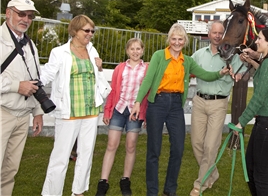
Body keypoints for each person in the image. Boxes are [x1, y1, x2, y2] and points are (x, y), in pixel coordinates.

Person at [129, 23, 230, 196]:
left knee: (178, 149)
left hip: (176, 105)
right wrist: (138, 101)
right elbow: (148, 80)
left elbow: (204, 74)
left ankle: (170, 189)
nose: (177, 42)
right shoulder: (159, 56)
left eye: (180, 39)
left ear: (185, 41)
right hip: (158, 104)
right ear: (169, 40)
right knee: (154, 149)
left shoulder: (188, 61)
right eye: (174, 39)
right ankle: (152, 191)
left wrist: (220, 73)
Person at [41, 15, 111, 196]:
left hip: (90, 111)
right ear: (74, 31)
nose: (90, 34)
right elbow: (47, 74)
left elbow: (97, 77)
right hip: (68, 111)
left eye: (92, 31)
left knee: (86, 155)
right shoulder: (60, 52)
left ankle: (78, 192)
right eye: (86, 30)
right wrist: (32, 83)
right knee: (60, 158)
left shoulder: (92, 51)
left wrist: (100, 68)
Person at [189, 21, 245, 196]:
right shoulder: (198, 54)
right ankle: (212, 173)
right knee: (197, 143)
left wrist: (237, 75)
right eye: (214, 32)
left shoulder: (232, 57)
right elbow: (185, 70)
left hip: (218, 103)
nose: (218, 36)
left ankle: (200, 184)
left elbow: (239, 75)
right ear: (209, 33)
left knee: (210, 145)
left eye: (221, 33)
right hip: (199, 102)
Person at [234, 28, 268, 196]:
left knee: (260, 176)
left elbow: (259, 98)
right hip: (265, 123)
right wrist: (253, 62)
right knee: (251, 170)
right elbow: (264, 75)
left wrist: (241, 122)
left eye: (260, 38)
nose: (256, 41)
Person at [1, 0, 44, 196]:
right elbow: (22, 84)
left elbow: (34, 79)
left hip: (22, 116)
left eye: (30, 16)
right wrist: (16, 86)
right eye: (21, 14)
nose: (25, 19)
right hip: (2, 113)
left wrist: (37, 111)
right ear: (8, 12)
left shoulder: (30, 44)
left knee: (10, 171)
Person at [95, 38, 148, 196]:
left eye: (138, 49)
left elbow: (147, 93)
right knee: (112, 144)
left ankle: (126, 180)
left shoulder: (146, 69)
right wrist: (107, 110)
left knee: (131, 146)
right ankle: (103, 182)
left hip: (135, 112)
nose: (135, 52)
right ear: (127, 51)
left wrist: (145, 115)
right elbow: (113, 91)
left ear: (142, 51)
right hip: (119, 109)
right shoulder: (120, 68)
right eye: (132, 49)